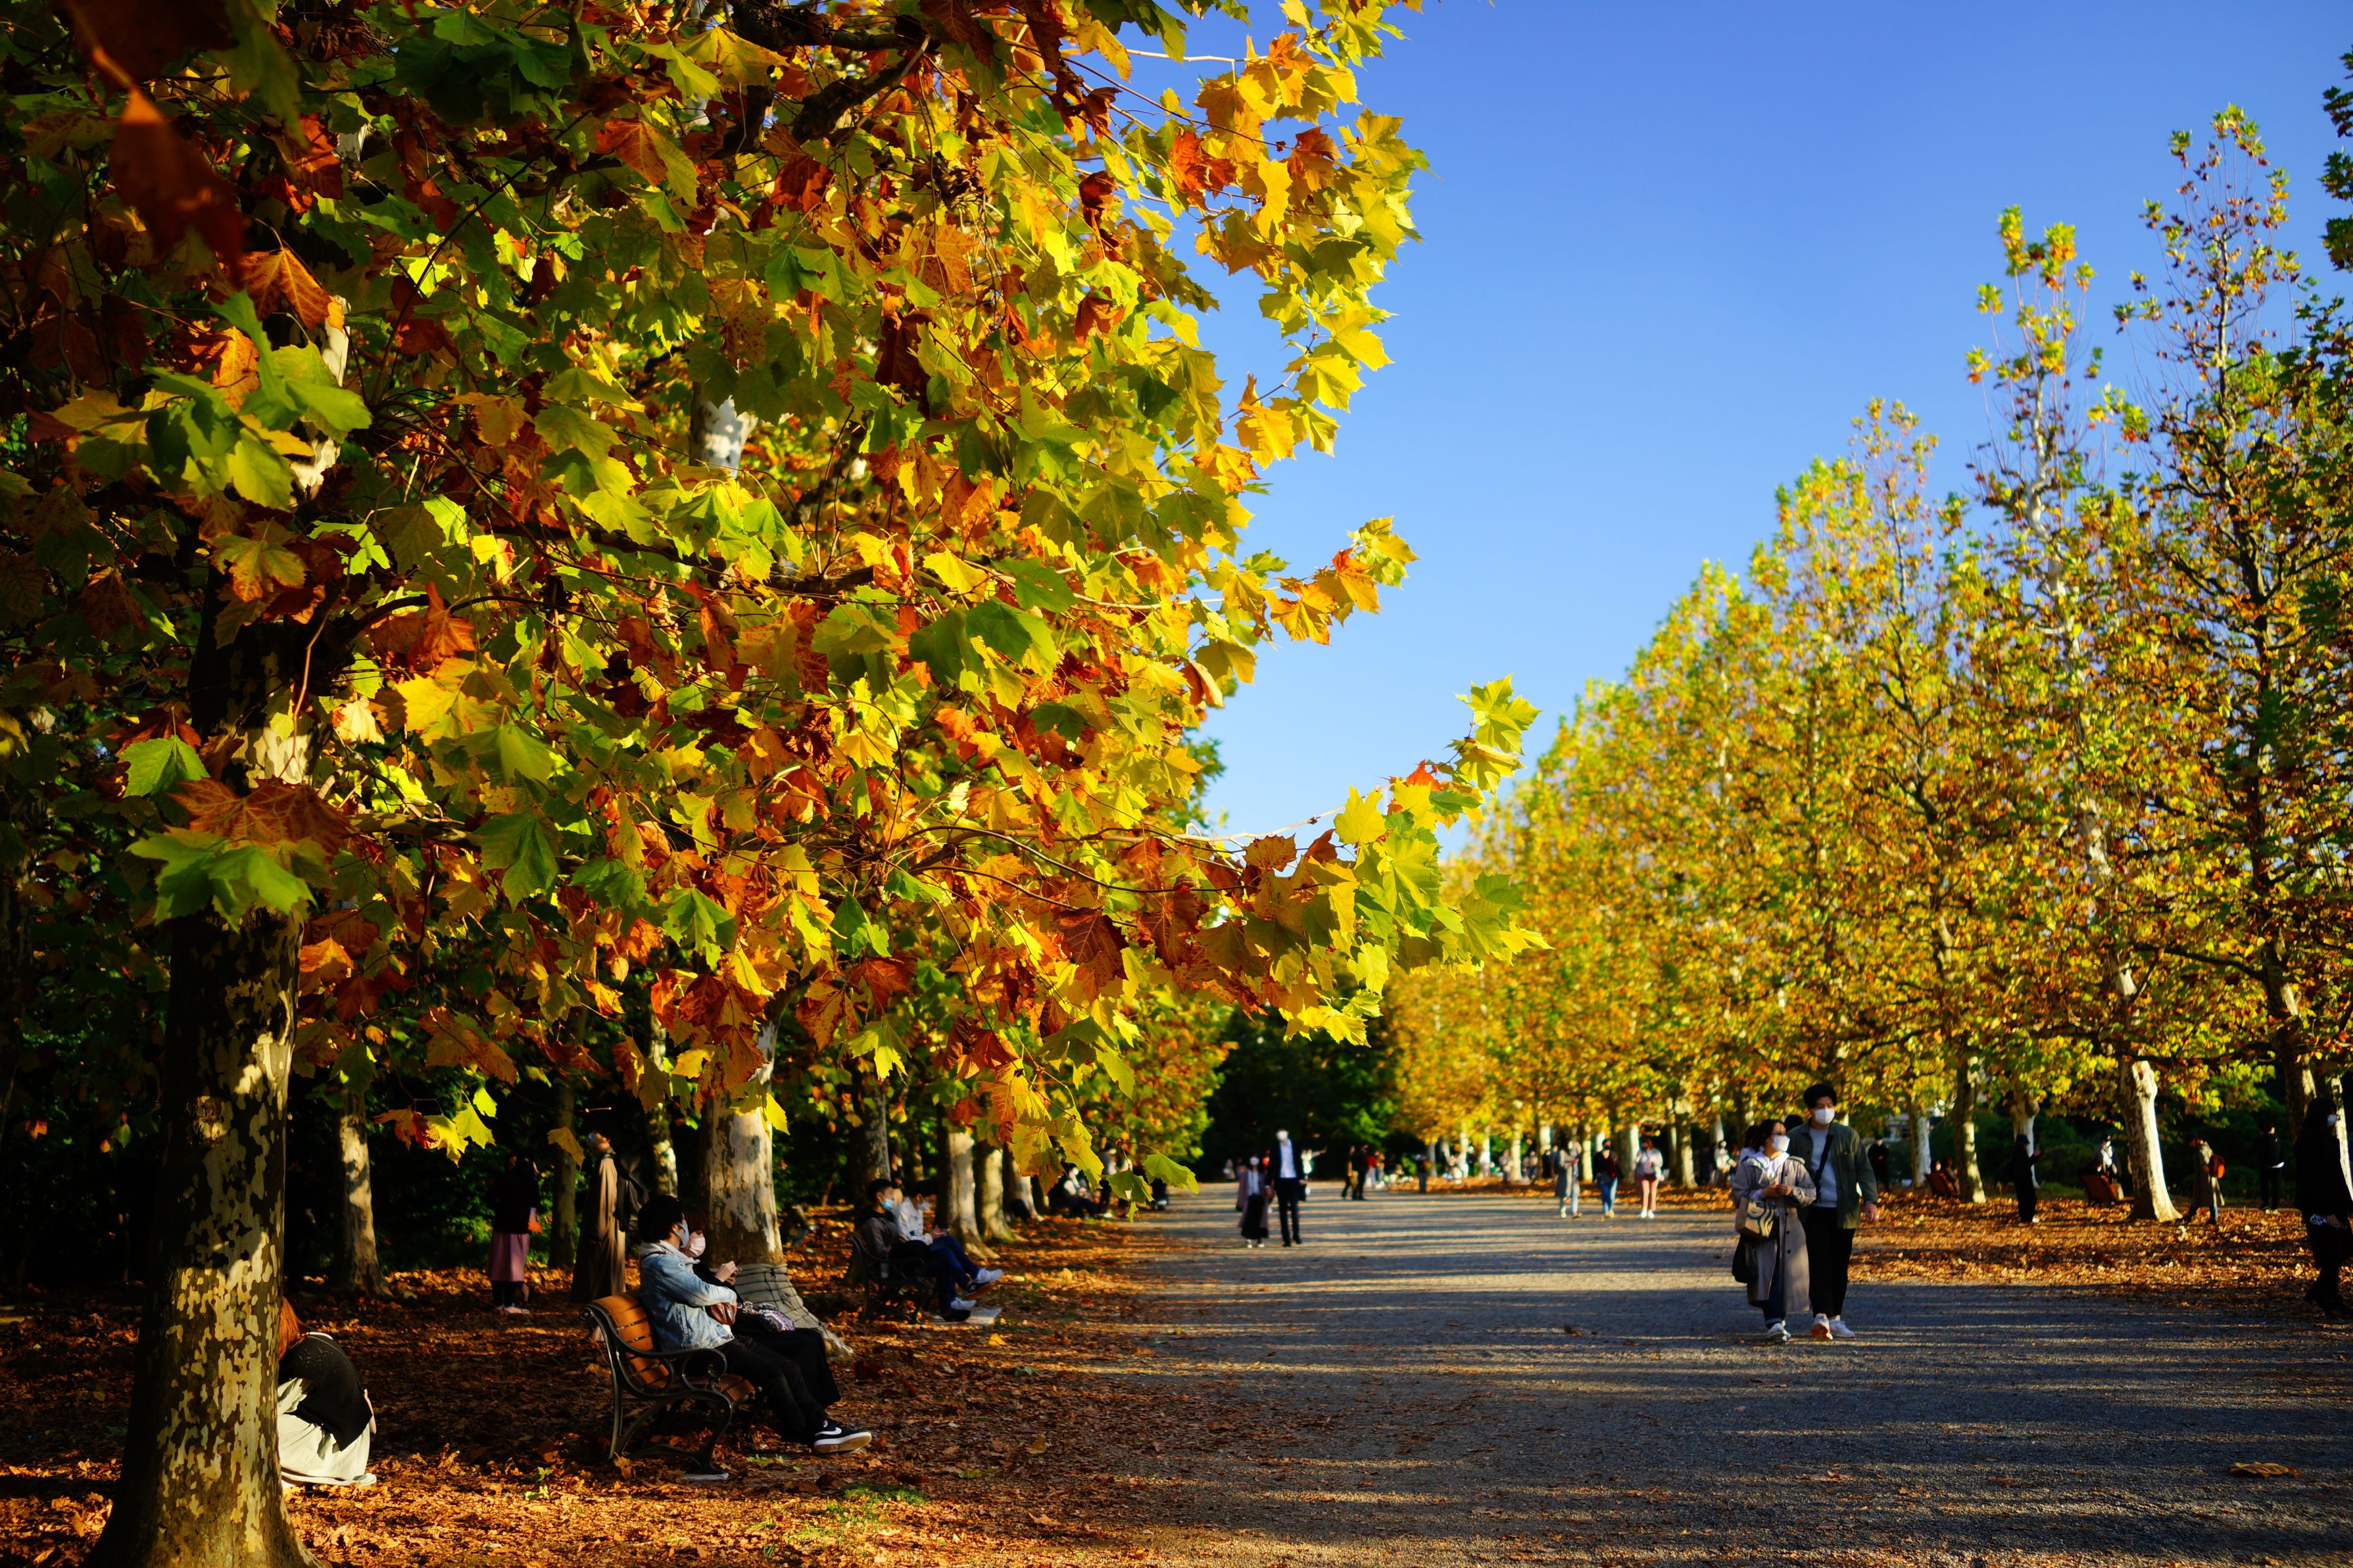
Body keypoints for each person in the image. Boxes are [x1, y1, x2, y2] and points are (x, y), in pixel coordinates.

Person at [637, 1194, 871, 1452]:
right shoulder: (660, 1263)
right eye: (683, 1221)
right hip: (699, 1350)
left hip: (716, 1339)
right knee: (773, 1376)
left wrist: (719, 1292)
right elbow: (702, 1293)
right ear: (674, 1227)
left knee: (789, 1367)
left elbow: (703, 1292)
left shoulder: (671, 1260)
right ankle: (809, 1433)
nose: (685, 1226)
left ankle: (822, 1426)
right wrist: (727, 1294)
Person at [1791, 1083, 1880, 1341]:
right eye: (1821, 1106)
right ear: (1809, 1109)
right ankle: (1821, 1314)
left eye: (1830, 1106)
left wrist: (1871, 1200)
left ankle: (1836, 1317)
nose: (1826, 1110)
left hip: (1844, 1209)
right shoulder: (1796, 1137)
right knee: (1818, 1261)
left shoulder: (1847, 1135)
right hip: (1811, 1209)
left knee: (1840, 1265)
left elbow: (1864, 1169)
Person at [1730, 1120, 1815, 1342]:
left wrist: (1792, 1191)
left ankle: (1779, 1321)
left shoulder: (1794, 1164)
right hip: (1759, 1227)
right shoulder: (1750, 1165)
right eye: (1779, 1133)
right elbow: (1737, 1195)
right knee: (1767, 1273)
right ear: (1767, 1138)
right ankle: (1774, 1321)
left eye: (1785, 1133)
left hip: (1790, 1227)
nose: (1784, 1137)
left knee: (1786, 1274)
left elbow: (1811, 1192)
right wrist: (1763, 1193)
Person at [277, 1302, 376, 1488]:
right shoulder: (305, 1338)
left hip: (340, 1449)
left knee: (249, 1428)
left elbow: (268, 1409)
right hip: (336, 1432)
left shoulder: (305, 1360)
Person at [2294, 1099, 2353, 1319]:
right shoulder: (2309, 1142)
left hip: (2334, 1204)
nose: (2334, 1117)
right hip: (2318, 1207)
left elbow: (2337, 1175)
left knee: (2341, 1249)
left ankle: (2322, 1293)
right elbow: (2314, 1179)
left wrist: (2347, 1204)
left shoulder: (2326, 1140)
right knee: (2332, 1252)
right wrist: (2327, 1211)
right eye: (2331, 1113)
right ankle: (2329, 1298)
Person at [570, 1131, 631, 1302]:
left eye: (597, 1133)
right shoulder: (610, 1161)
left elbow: (605, 1200)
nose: (591, 1136)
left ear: (608, 1138)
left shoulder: (606, 1163)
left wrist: (597, 1233)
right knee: (605, 1277)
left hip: (605, 1230)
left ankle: (605, 1313)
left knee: (601, 1278)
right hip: (609, 1228)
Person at [487, 1152, 539, 1314]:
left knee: (498, 1266)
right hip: (520, 1230)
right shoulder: (530, 1182)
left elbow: (489, 1200)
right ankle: (509, 1304)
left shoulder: (502, 1180)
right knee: (514, 1268)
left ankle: (499, 1303)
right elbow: (536, 1204)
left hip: (502, 1228)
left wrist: (501, 1208)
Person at [2185, 1137, 2225, 1229]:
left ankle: (2212, 1218)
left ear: (2195, 1140)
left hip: (2204, 1177)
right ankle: (2192, 1215)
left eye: (2190, 1142)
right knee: (2209, 1197)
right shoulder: (2207, 1146)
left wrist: (2204, 1165)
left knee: (2204, 1197)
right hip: (2209, 1176)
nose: (2190, 1145)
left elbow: (2203, 1157)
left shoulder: (2201, 1148)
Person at [1236, 1156, 1270, 1247]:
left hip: (1260, 1199)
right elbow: (1242, 1188)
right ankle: (1248, 1239)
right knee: (1248, 1220)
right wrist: (1241, 1201)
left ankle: (1260, 1239)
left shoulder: (1263, 1173)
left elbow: (1267, 1187)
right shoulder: (1245, 1174)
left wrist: (1267, 1199)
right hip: (1249, 1199)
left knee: (1260, 1220)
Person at [1632, 1135, 1665, 1219]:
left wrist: (1653, 1161)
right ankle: (1644, 1209)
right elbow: (1636, 1163)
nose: (1644, 1145)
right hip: (1643, 1174)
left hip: (1654, 1174)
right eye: (1643, 1144)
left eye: (1646, 1144)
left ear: (1649, 1144)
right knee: (1645, 1191)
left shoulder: (1656, 1152)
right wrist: (1638, 1158)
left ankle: (1651, 1210)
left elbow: (1660, 1163)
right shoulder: (1640, 1152)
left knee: (1653, 1191)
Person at [2012, 1131, 2041, 1225]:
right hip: (2023, 1179)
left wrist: (2034, 1157)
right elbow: (2026, 1164)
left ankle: (2027, 1218)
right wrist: (2034, 1157)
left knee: (2026, 1199)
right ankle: (2027, 1218)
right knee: (2028, 1199)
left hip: (2023, 1179)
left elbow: (2027, 1163)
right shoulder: (2018, 1153)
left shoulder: (2019, 1152)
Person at [2257, 1122, 2286, 1212]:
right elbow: (2282, 1151)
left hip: (2264, 1166)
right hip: (2277, 1166)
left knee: (2264, 1186)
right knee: (2276, 1187)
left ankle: (2265, 1204)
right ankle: (2275, 1207)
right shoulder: (2276, 1138)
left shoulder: (2260, 1139)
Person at [1555, 1139, 1582, 1219]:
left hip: (1574, 1176)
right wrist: (1571, 1164)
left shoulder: (1573, 1152)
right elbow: (1560, 1164)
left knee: (1575, 1194)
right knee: (1564, 1195)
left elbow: (1578, 1158)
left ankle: (1574, 1211)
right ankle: (1562, 1210)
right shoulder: (1562, 1152)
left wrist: (1579, 1149)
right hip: (1565, 1177)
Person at [1594, 1146, 1620, 1218]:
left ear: (1609, 1152)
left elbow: (1618, 1166)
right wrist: (1596, 1176)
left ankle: (1610, 1209)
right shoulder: (1599, 1158)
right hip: (1603, 1178)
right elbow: (1595, 1167)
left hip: (1613, 1178)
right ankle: (1606, 1211)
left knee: (1611, 1195)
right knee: (1605, 1194)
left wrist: (1622, 1177)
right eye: (1603, 1152)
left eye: (1606, 1152)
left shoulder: (1613, 1157)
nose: (1604, 1153)